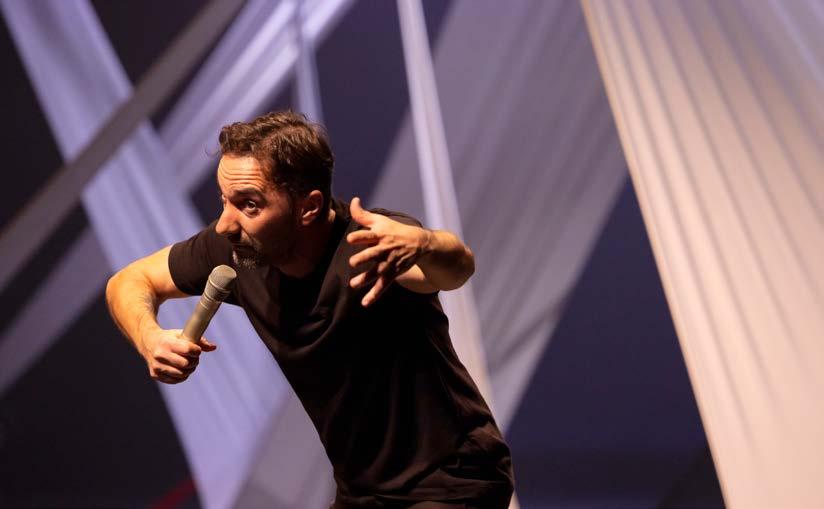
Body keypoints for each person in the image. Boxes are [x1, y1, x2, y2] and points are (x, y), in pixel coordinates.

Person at [105, 111, 514, 508]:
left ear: (309, 207)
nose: (226, 224)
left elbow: (456, 268)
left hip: (454, 480)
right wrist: (149, 337)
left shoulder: (370, 246)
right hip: (363, 493)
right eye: (224, 200)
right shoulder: (235, 248)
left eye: (249, 205)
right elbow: (129, 281)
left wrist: (425, 243)